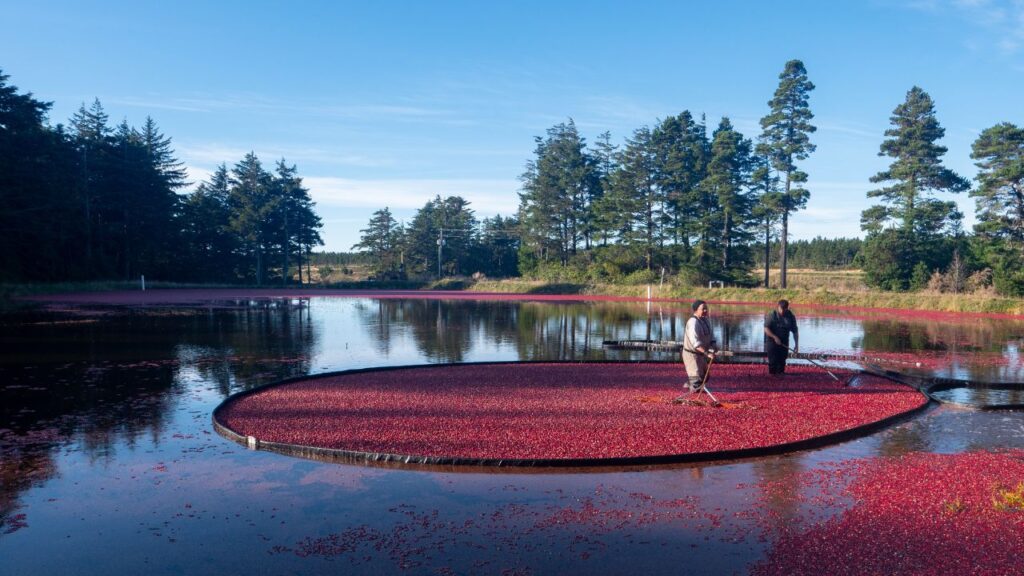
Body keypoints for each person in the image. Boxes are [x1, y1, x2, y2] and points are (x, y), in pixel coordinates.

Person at [679, 300, 717, 397]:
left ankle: (689, 384)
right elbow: (695, 342)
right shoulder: (693, 322)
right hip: (691, 354)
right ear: (696, 310)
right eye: (702, 309)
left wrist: (713, 345)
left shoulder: (706, 321)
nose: (705, 310)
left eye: (706, 308)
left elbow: (711, 335)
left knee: (705, 376)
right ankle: (692, 398)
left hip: (701, 354)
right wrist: (707, 353)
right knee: (697, 380)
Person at [764, 299, 799, 375]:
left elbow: (795, 331)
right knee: (773, 361)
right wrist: (774, 337)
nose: (782, 311)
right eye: (781, 309)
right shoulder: (772, 315)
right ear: (778, 307)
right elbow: (766, 329)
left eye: (784, 309)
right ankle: (772, 377)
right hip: (772, 341)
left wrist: (796, 344)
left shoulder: (791, 317)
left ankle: (781, 375)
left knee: (782, 361)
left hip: (784, 341)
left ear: (787, 308)